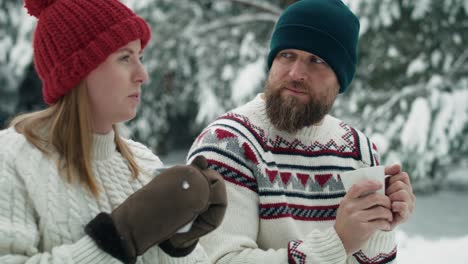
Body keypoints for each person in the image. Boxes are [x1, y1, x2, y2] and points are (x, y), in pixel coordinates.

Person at [187, 0, 416, 263]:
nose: (296, 73)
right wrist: (337, 244)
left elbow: (370, 259)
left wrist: (382, 223)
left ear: (340, 78)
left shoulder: (357, 150)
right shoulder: (228, 143)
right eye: (287, 55)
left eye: (316, 60)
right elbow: (220, 260)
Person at [0, 0, 227, 263]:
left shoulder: (144, 163)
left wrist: (180, 242)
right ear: (79, 70)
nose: (143, 74)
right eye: (124, 57)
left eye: (140, 58)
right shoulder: (11, 160)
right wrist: (119, 238)